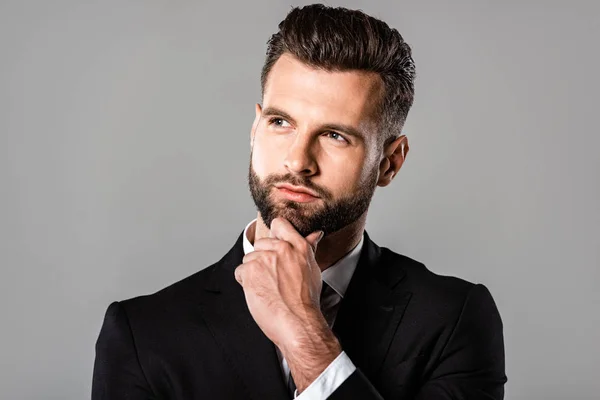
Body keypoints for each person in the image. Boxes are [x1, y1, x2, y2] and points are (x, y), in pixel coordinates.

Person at [92, 4, 507, 399]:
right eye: (280, 122)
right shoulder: (142, 335)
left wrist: (304, 330)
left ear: (389, 163)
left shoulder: (454, 320)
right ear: (255, 128)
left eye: (335, 135)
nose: (297, 160)